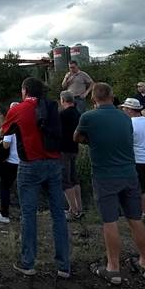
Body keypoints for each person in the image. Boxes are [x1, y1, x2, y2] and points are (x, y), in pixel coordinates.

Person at [75, 83, 145, 285]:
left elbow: (77, 137)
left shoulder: (88, 117)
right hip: (129, 173)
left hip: (105, 175)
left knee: (110, 221)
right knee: (135, 219)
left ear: (93, 99)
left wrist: (91, 140)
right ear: (112, 96)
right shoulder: (126, 118)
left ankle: (113, 268)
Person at [3, 78, 70, 278]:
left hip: (30, 165)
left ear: (24, 91)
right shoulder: (51, 106)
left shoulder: (18, 109)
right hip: (54, 164)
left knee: (28, 214)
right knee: (58, 214)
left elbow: (4, 131)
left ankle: (28, 262)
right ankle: (64, 266)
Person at [120, 98, 145, 223]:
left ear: (129, 110)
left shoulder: (129, 123)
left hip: (140, 159)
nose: (122, 111)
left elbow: (127, 142)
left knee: (142, 190)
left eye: (124, 108)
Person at [0, 102, 21, 224]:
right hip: (24, 161)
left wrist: (0, 142)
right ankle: (25, 214)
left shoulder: (10, 125)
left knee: (5, 187)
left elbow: (6, 144)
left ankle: (4, 214)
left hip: (11, 161)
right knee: (23, 188)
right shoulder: (26, 123)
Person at [59, 91, 83, 220]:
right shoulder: (77, 113)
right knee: (74, 178)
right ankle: (79, 207)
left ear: (63, 100)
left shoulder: (63, 115)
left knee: (66, 180)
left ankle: (73, 211)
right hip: (74, 148)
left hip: (64, 150)